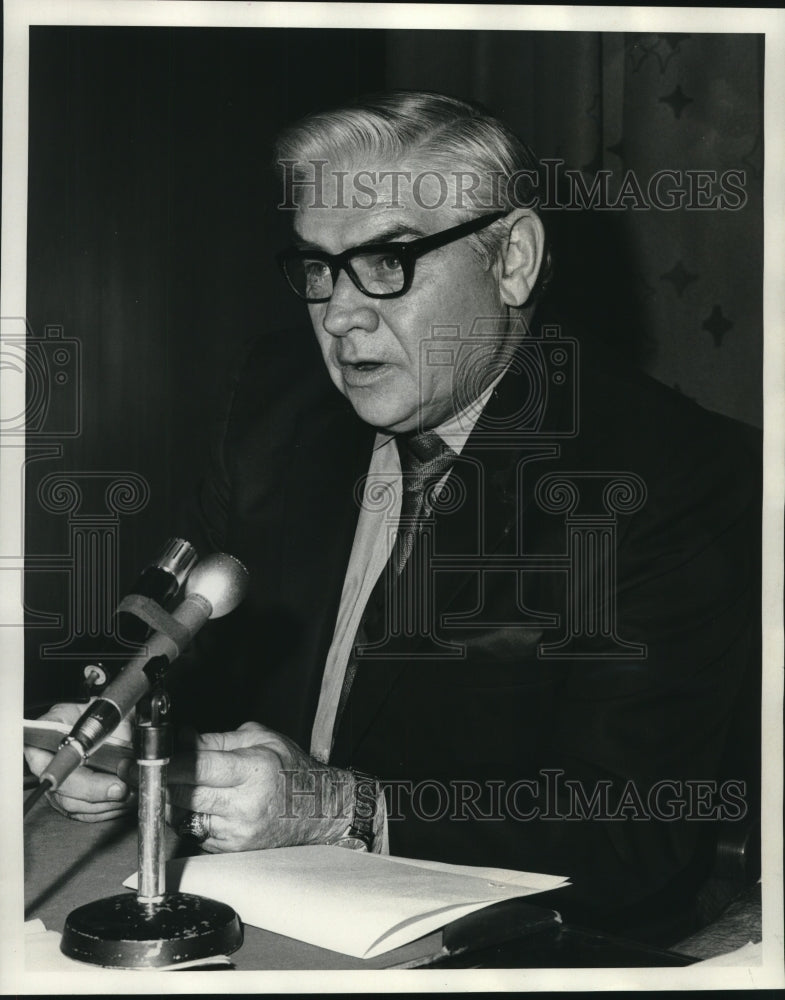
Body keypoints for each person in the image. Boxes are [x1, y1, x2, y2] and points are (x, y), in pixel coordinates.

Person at [25, 91, 760, 940]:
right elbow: (163, 656)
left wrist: (348, 810)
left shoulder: (675, 474)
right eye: (317, 268)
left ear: (512, 259)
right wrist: (119, 755)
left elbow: (633, 832)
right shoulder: (273, 413)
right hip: (249, 913)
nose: (339, 314)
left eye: (386, 260)